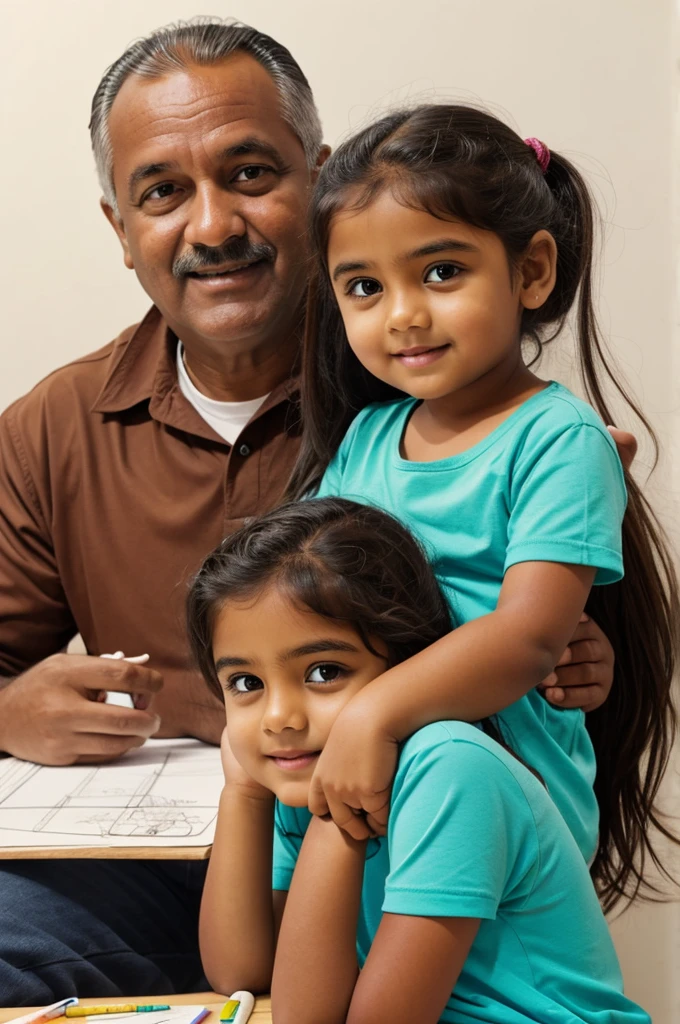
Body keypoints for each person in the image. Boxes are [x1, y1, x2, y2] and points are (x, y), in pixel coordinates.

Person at [0, 20, 630, 1002]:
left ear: (321, 180)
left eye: (250, 172)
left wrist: (575, 640)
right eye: (162, 192)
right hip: (181, 847)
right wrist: (9, 707)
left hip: (400, 813)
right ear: (119, 229)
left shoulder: (423, 401)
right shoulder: (49, 426)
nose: (211, 225)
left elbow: (522, 620)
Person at [287, 104, 679, 910]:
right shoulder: (365, 439)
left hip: (494, 812)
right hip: (376, 792)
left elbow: (528, 637)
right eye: (364, 286)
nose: (402, 313)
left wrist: (373, 714)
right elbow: (302, 609)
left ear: (532, 271)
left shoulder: (559, 439)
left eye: (440, 272)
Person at [188, 497, 651, 1024]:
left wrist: (333, 811)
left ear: (408, 663)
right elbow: (241, 973)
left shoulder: (451, 771)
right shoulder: (300, 775)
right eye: (246, 683)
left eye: (324, 672)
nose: (279, 717)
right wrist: (243, 794)